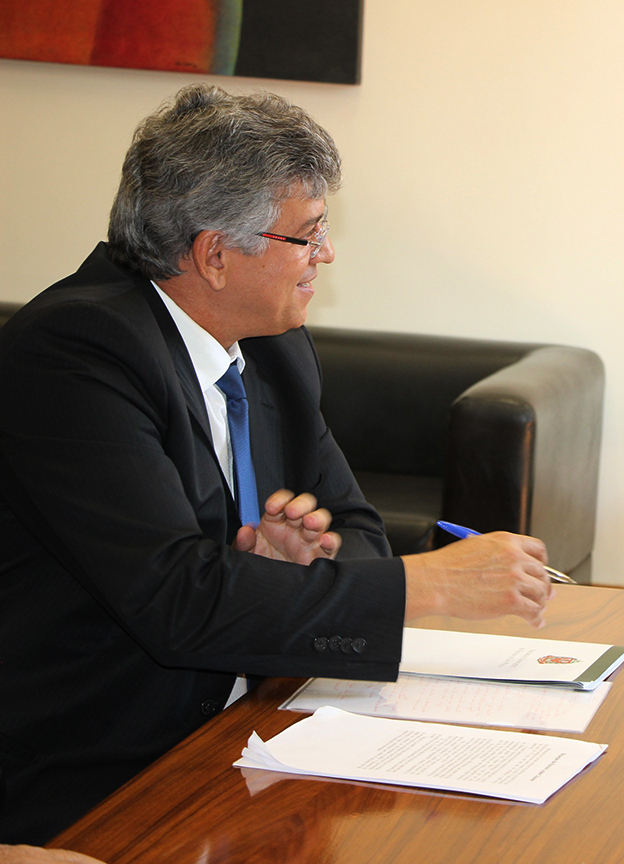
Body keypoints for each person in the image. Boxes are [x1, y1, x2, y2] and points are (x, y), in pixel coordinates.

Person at [0, 84, 556, 844]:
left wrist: (301, 570)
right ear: (217, 255)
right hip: (101, 775)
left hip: (250, 729)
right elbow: (179, 604)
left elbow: (353, 525)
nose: (325, 255)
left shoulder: (273, 345)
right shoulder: (73, 355)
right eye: (308, 235)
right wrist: (425, 584)